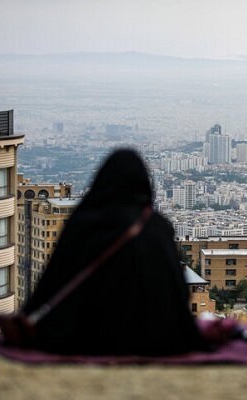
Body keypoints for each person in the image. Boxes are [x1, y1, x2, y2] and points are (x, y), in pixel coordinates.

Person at [22, 149, 206, 355]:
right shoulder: (157, 226)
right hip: (155, 339)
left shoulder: (84, 223)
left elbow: (53, 281)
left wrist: (28, 318)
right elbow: (178, 290)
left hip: (87, 338)